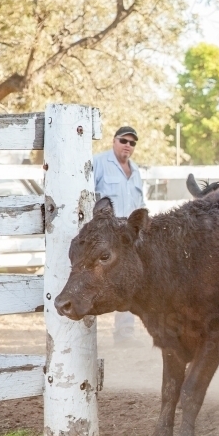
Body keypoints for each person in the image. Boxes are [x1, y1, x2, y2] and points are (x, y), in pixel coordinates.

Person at [93, 126, 145, 346]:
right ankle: (86, 332)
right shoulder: (99, 163)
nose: (128, 146)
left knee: (127, 280)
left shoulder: (136, 172)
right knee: (95, 279)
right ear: (114, 141)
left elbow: (140, 204)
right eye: (124, 140)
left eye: (132, 143)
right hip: (105, 234)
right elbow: (84, 192)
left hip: (127, 237)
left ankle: (125, 334)